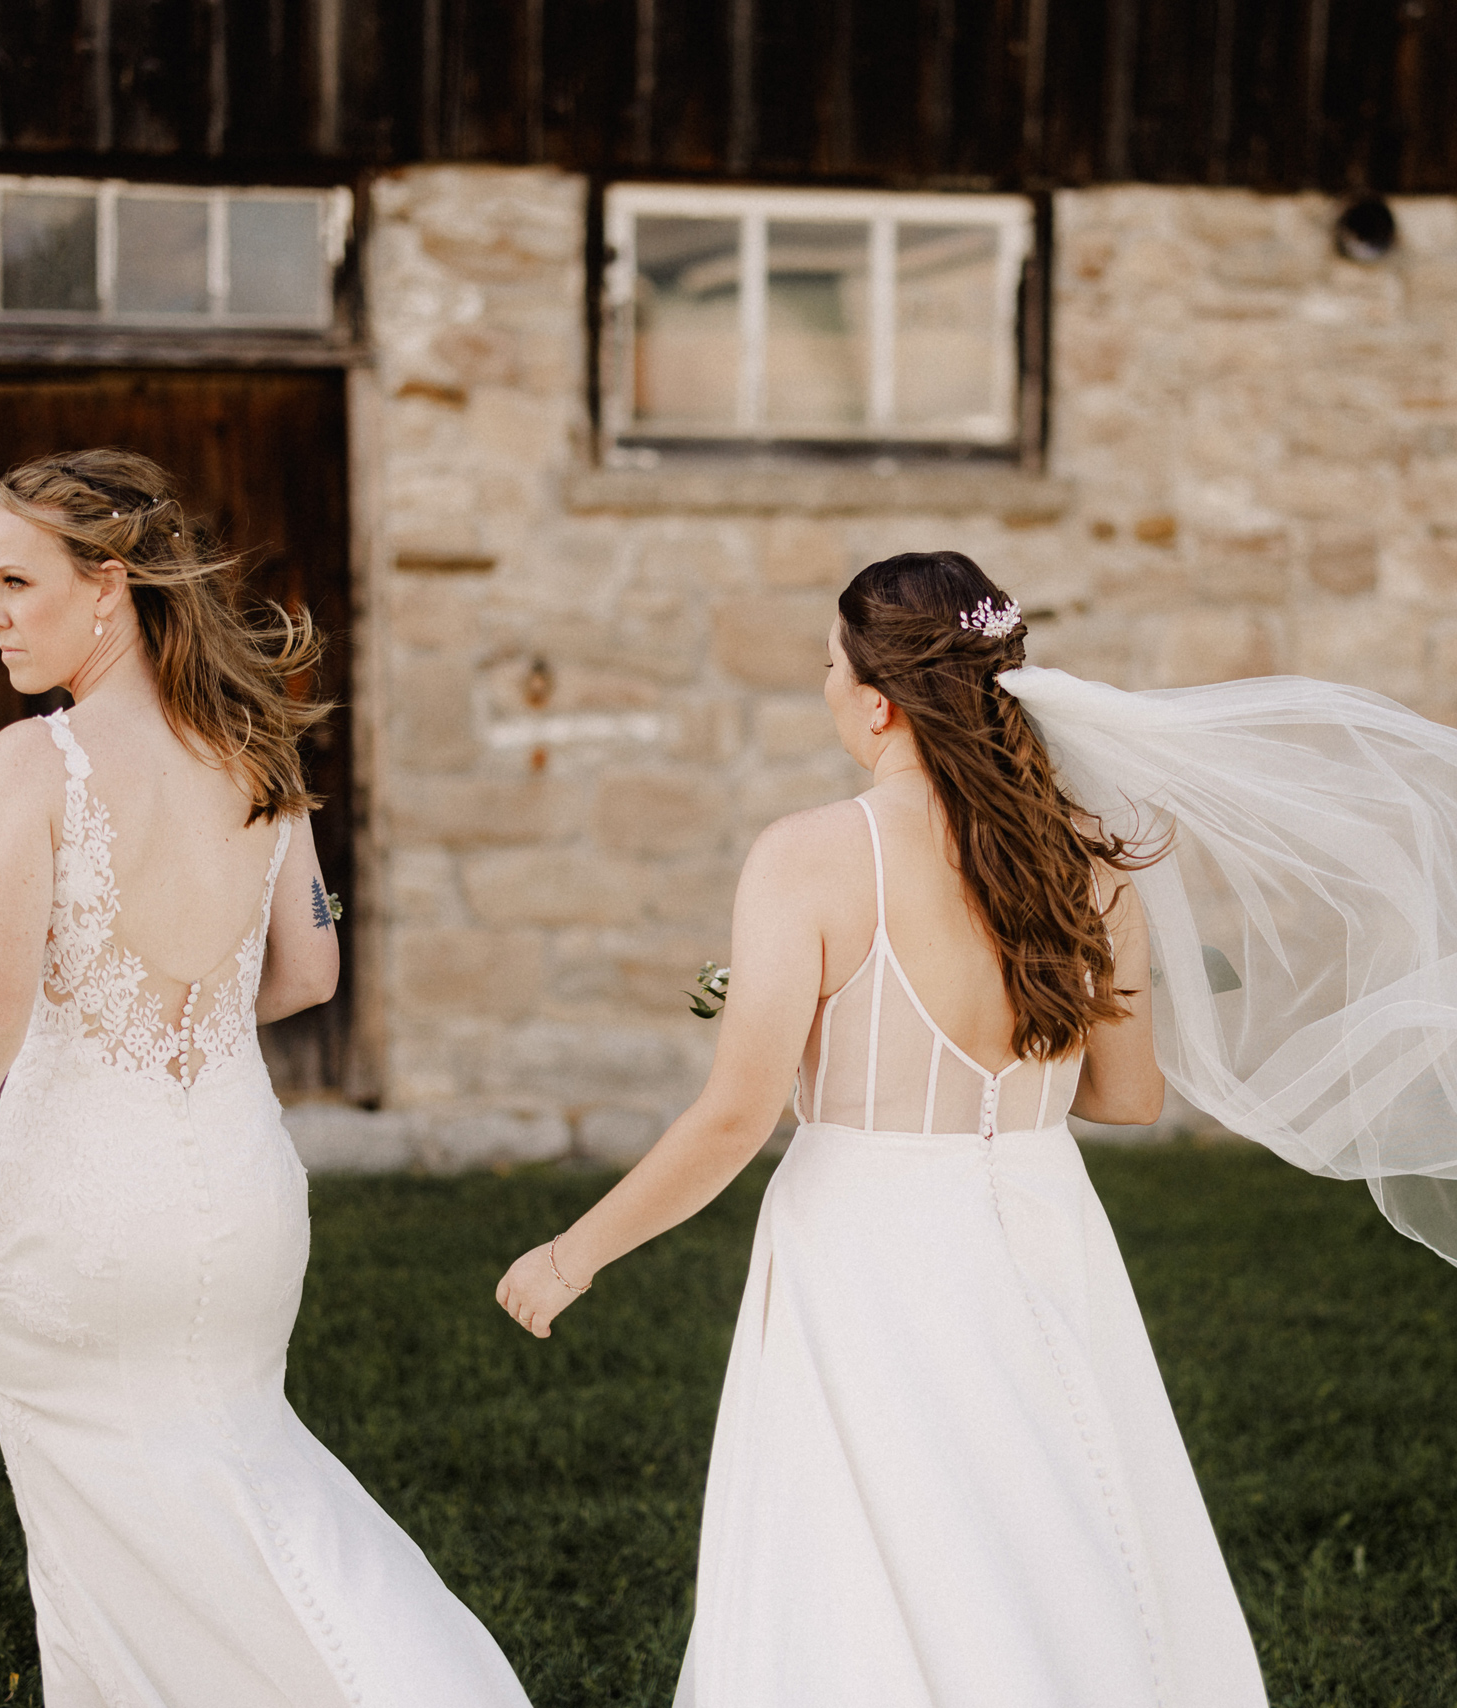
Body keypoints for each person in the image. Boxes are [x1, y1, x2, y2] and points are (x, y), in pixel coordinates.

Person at [495, 551, 1272, 1707]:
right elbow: (1130, 1097)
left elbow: (732, 1118)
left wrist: (570, 1256)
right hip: (1043, 1227)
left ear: (877, 700)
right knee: (1053, 1533)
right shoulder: (1088, 863)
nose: (824, 688)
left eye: (828, 664)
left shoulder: (811, 857)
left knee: (860, 1560)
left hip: (868, 1245)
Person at [0, 450, 530, 1708]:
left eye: (15, 580)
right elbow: (312, 969)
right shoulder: (255, 740)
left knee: (109, 1549)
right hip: (237, 1193)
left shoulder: (36, 759)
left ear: (108, 585)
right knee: (248, 1471)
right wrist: (197, 1018)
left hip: (83, 1214)